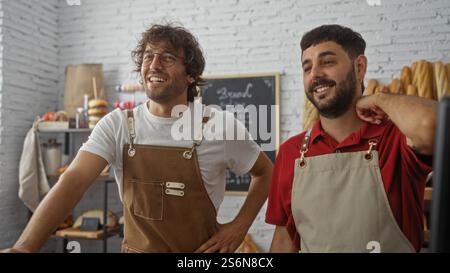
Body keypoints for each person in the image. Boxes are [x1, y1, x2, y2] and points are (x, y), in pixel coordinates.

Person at [5, 23, 273, 253]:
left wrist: (240, 225)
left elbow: (266, 173)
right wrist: (24, 247)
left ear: (190, 74)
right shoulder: (117, 125)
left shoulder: (218, 125)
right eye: (148, 56)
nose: (154, 65)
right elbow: (72, 182)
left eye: (167, 57)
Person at [266, 24, 436, 253]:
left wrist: (380, 99)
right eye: (307, 68)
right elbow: (284, 239)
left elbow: (434, 126)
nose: (315, 74)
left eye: (327, 62)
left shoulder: (396, 139)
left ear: (359, 67)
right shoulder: (290, 152)